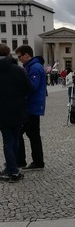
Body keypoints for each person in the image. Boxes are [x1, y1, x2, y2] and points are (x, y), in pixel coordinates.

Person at [0, 44, 32, 182]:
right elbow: (29, 88)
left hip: (2, 111)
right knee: (15, 139)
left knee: (7, 140)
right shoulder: (18, 70)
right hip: (18, 109)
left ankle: (12, 170)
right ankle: (13, 167)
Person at [15, 45, 47, 170]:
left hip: (31, 106)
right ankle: (36, 161)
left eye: (20, 57)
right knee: (32, 134)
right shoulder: (32, 66)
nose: (19, 59)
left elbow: (32, 87)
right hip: (32, 106)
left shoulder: (34, 68)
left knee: (22, 133)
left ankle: (24, 161)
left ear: (27, 55)